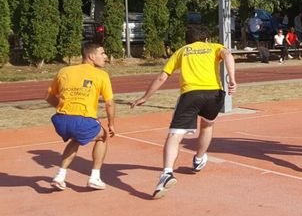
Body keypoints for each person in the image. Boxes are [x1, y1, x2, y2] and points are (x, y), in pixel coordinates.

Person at [131, 26, 237, 199]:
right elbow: (228, 55)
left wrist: (146, 97)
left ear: (188, 40)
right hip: (215, 94)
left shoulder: (182, 51)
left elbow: (162, 76)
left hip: (191, 94)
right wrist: (232, 79)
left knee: (174, 136)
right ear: (207, 40)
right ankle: (199, 158)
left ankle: (166, 173)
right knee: (207, 126)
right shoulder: (215, 47)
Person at [44, 43, 116, 191]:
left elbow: (48, 97)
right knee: (103, 137)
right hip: (81, 120)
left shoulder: (64, 71)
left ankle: (59, 176)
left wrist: (64, 108)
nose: (105, 57)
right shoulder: (101, 75)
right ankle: (95, 177)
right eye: (102, 53)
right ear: (91, 56)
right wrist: (111, 124)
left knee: (76, 138)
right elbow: (109, 103)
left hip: (60, 120)